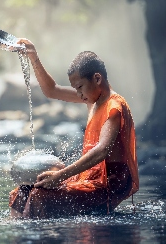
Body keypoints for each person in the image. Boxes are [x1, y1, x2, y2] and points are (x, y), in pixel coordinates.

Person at [9, 38, 139, 219]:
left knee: (39, 196)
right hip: (88, 177)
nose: (78, 95)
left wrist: (61, 175)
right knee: (22, 191)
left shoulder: (114, 106)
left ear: (97, 78)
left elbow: (102, 150)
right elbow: (52, 90)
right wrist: (33, 57)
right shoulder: (91, 98)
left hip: (109, 185)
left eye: (79, 87)